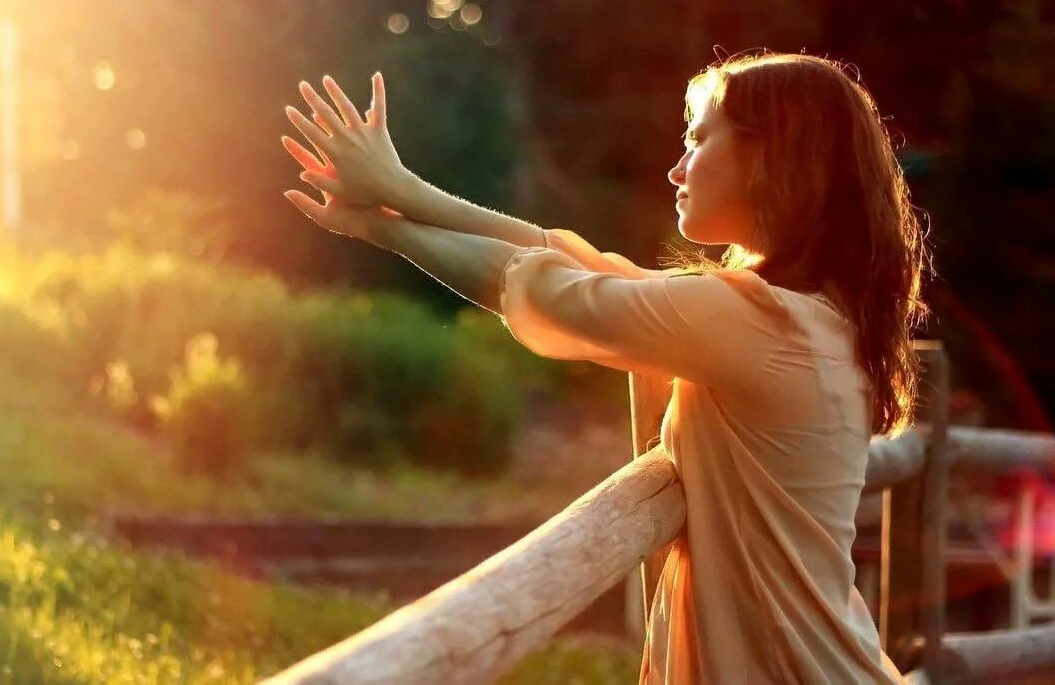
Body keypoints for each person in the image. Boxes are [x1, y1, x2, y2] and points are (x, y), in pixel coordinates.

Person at [279, 51, 931, 683]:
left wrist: (385, 223)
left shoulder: (758, 322)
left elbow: (554, 290)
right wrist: (398, 196)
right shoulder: (818, 317)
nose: (677, 170)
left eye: (699, 140)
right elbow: (586, 268)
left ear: (769, 158)